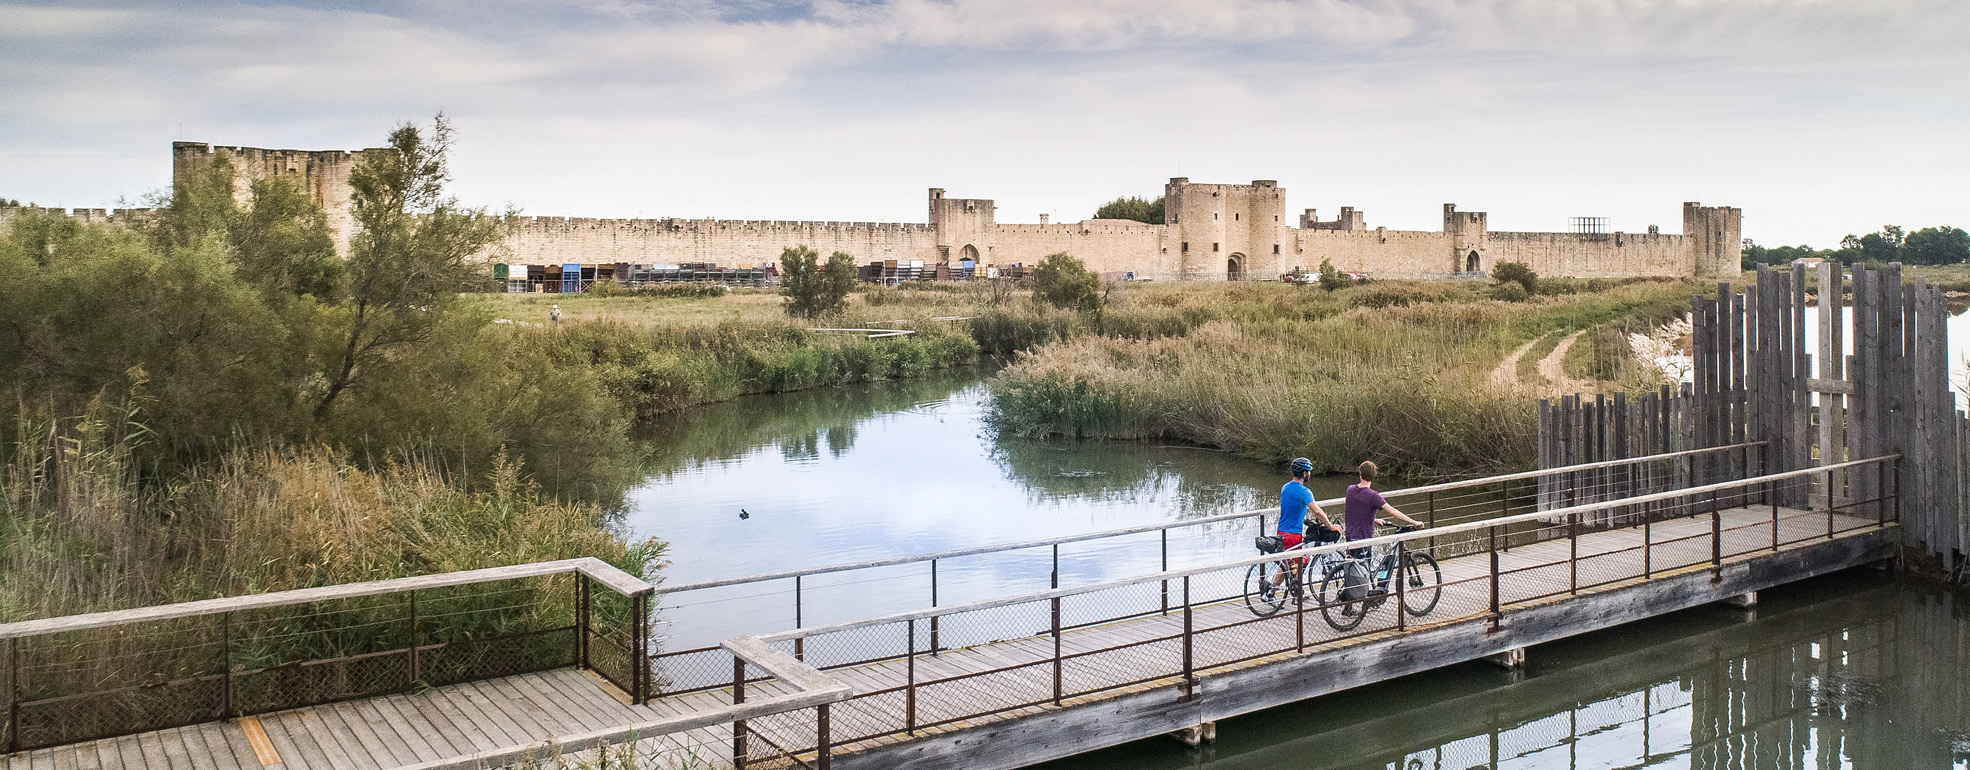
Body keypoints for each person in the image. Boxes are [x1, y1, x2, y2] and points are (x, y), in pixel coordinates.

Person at [1272, 457, 1340, 592]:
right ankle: (1276, 592)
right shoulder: (1304, 492)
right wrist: (1330, 525)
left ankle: (1293, 590)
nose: (1310, 474)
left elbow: (1293, 507)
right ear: (1304, 473)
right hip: (1293, 534)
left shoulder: (1285, 487)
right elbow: (1317, 511)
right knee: (1299, 562)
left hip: (1281, 531)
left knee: (1289, 563)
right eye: (1309, 471)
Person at [1343, 460, 1424, 559]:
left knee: (1353, 568)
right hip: (1363, 538)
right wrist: (1414, 522)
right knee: (1363, 570)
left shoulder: (1350, 489)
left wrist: (1374, 520)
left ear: (1360, 474)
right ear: (1373, 476)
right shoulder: (1373, 496)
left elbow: (1355, 511)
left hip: (1350, 536)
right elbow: (1392, 510)